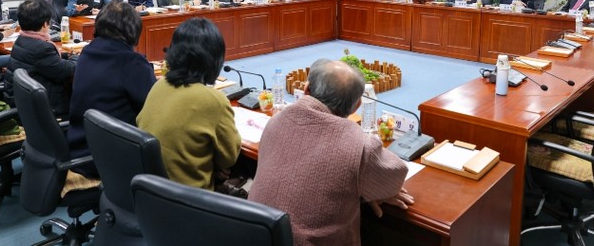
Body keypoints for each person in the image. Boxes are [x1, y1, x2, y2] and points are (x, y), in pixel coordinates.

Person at [249, 58, 413, 245]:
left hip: (254, 237)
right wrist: (370, 190)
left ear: (306, 90)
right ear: (357, 106)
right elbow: (394, 179)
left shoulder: (276, 120)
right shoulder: (360, 144)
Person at [137, 18, 241, 189]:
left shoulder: (159, 85)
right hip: (191, 199)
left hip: (152, 191)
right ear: (215, 59)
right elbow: (229, 158)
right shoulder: (213, 101)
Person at [67, 1, 156, 178]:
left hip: (79, 146)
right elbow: (155, 107)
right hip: (111, 157)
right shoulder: (131, 62)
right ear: (133, 30)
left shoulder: (87, 51)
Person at [3, 0, 76, 115]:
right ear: (45, 23)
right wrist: (78, 58)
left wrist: (66, 55)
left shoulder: (22, 39)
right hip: (44, 109)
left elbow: (44, 62)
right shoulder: (41, 48)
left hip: (22, 101)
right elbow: (65, 71)